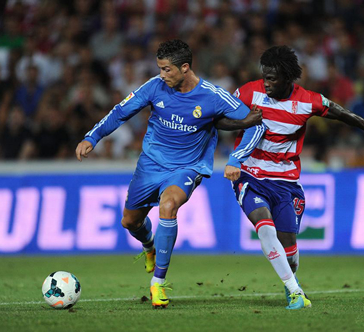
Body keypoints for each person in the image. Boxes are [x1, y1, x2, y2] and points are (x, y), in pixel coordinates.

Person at [76, 39, 265, 308]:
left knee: (168, 205)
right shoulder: (154, 86)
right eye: (160, 69)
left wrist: (236, 159)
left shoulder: (213, 95)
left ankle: (158, 284)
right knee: (130, 222)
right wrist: (92, 137)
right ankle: (149, 245)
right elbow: (120, 112)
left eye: (167, 70)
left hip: (188, 166)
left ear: (184, 68)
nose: (162, 75)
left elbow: (255, 125)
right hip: (151, 164)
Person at [215, 45, 364, 310]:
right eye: (264, 76)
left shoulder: (308, 101)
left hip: (286, 181)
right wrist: (245, 123)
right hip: (251, 174)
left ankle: (289, 279)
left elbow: (343, 114)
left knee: (289, 246)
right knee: (264, 227)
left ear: (289, 77)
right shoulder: (248, 92)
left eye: (273, 78)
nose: (266, 83)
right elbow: (220, 120)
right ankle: (295, 293)